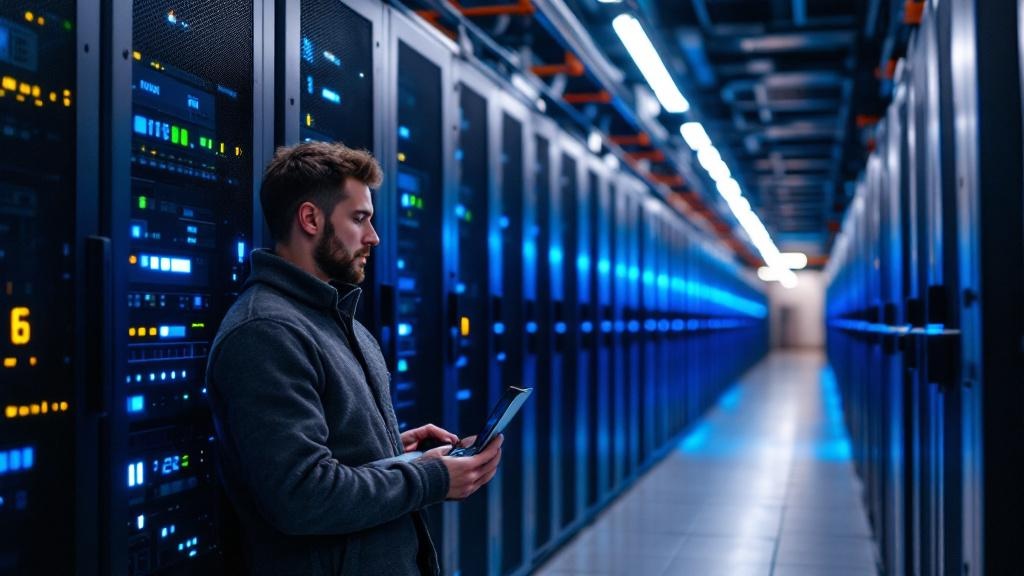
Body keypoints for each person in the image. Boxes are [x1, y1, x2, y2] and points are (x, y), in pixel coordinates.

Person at [206, 141, 502, 575]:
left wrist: (390, 451)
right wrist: (431, 479)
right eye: (359, 219)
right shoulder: (266, 333)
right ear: (311, 218)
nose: (374, 237)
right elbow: (300, 495)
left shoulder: (340, 321)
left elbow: (328, 453)